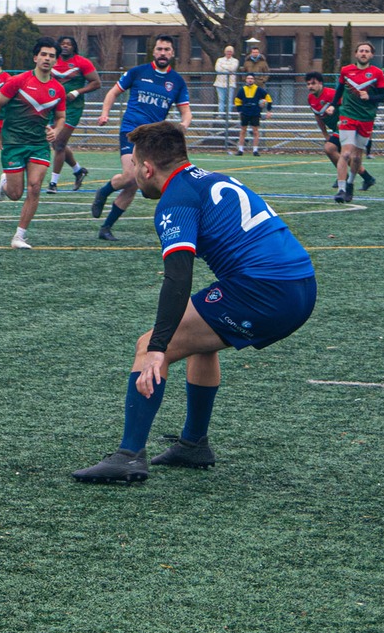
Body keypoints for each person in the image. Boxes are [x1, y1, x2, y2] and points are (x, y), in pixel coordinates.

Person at [71, 121, 316, 482]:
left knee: (149, 345)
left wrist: (158, 347)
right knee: (203, 343)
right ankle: (193, 445)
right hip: (300, 284)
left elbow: (178, 277)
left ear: (148, 168)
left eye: (135, 166)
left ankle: (128, 456)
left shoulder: (176, 199)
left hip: (264, 291)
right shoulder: (210, 178)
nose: (134, 173)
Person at [91, 34, 191, 240]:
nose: (163, 53)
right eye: (159, 49)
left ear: (172, 53)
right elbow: (112, 93)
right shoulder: (137, 72)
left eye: (167, 50)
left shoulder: (177, 82)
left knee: (135, 183)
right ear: (154, 52)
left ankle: (106, 228)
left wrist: (183, 125)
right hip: (131, 131)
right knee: (129, 175)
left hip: (154, 138)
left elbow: (186, 111)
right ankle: (103, 191)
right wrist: (105, 113)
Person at [0, 39, 69, 250]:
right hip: (13, 142)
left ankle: (19, 236)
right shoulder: (18, 81)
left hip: (39, 144)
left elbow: (60, 117)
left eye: (51, 55)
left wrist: (56, 131)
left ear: (55, 60)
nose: (47, 58)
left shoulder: (57, 89)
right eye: (43, 54)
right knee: (15, 194)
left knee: (35, 187)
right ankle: (4, 184)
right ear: (35, 57)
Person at [331, 42, 384, 203]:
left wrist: (369, 97)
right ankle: (341, 189)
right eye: (361, 50)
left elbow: (383, 97)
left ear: (371, 55)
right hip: (347, 115)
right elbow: (339, 90)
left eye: (367, 51)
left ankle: (350, 184)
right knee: (346, 153)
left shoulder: (377, 73)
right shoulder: (346, 71)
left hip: (366, 117)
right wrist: (333, 106)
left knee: (356, 157)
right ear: (356, 54)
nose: (363, 53)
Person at [47, 35, 97, 192]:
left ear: (74, 47)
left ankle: (53, 183)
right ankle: (78, 171)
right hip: (54, 107)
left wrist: (77, 91)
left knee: (59, 143)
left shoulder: (82, 62)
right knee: (56, 143)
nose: (65, 46)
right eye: (62, 44)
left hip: (73, 109)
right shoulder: (52, 61)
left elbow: (96, 83)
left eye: (69, 44)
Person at [305, 71, 345, 172]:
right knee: (339, 153)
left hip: (345, 126)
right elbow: (318, 117)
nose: (310, 86)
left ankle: (344, 176)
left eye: (313, 83)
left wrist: (339, 118)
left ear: (321, 83)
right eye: (308, 84)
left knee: (330, 149)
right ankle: (365, 178)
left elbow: (347, 107)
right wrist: (325, 134)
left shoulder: (331, 94)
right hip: (335, 129)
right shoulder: (310, 98)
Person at [233, 74, 271, 155]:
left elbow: (268, 98)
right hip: (245, 112)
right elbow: (237, 100)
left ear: (254, 80)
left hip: (255, 112)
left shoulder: (258, 89)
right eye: (248, 78)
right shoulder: (242, 90)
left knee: (255, 131)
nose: (250, 80)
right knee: (243, 131)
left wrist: (269, 110)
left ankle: (255, 150)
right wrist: (240, 110)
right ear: (246, 80)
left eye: (251, 78)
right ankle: (240, 150)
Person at [213, 45, 240, 143]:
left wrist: (224, 67)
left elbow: (233, 68)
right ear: (225, 52)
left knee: (229, 100)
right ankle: (220, 114)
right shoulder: (219, 60)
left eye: (230, 51)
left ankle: (228, 115)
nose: (229, 53)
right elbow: (217, 69)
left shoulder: (235, 61)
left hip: (230, 83)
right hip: (220, 83)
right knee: (221, 99)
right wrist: (227, 69)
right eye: (227, 51)